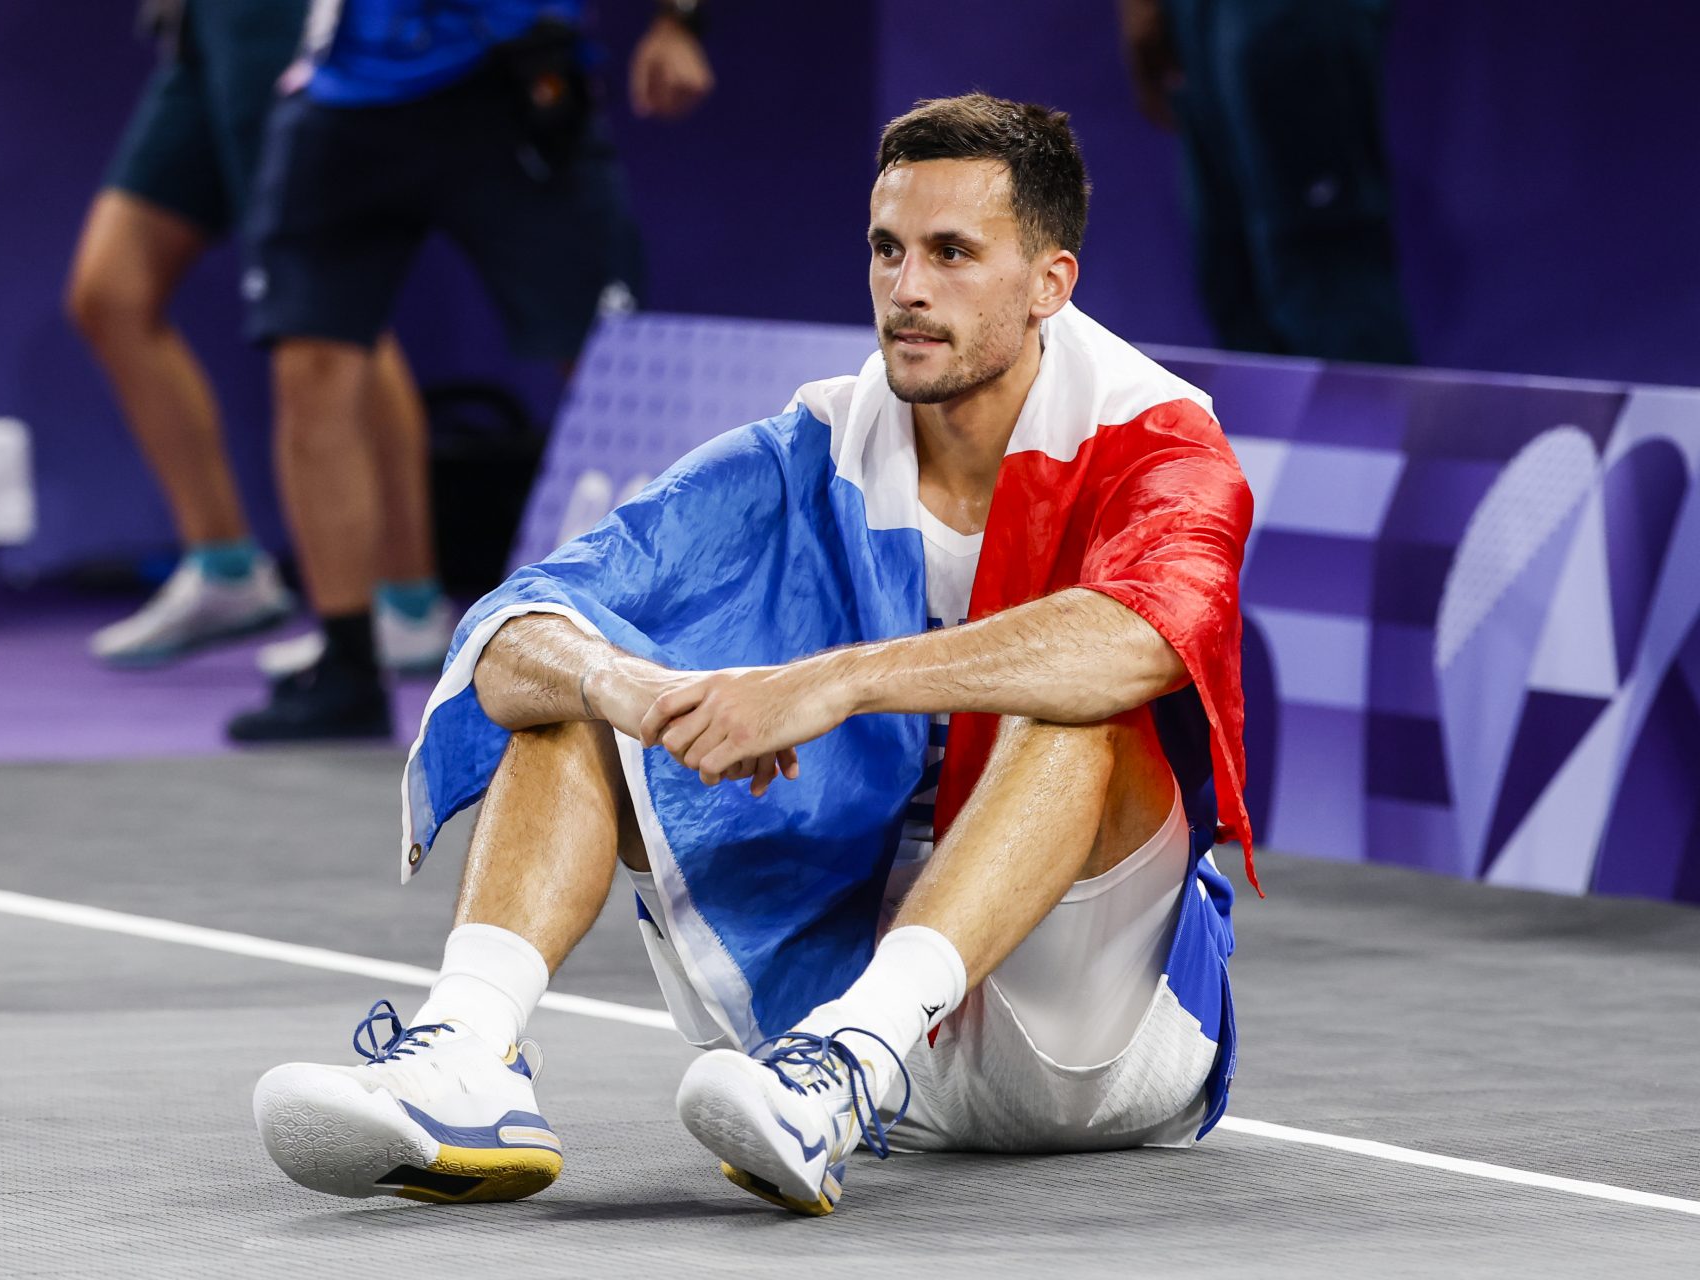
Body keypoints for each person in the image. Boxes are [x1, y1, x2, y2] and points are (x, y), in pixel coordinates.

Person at [251, 93, 1255, 1216]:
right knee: (571, 678)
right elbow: (508, 634)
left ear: (1049, 285)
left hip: (1091, 1037)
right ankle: (466, 1058)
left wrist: (827, 682)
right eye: (887, 249)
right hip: (826, 1027)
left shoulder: (1158, 439)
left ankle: (855, 1056)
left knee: (1080, 705)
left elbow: (1139, 640)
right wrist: (635, 689)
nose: (907, 288)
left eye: (952, 253)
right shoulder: (809, 449)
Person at [225, 0, 715, 740]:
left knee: (602, 362)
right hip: (346, 94)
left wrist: (680, 20)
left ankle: (681, 655)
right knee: (312, 360)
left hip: (509, 80)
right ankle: (349, 666)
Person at [68, 0, 456, 673]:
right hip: (199, 24)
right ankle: (225, 571)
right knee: (112, 293)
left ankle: (406, 605)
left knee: (330, 309)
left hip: (283, 19)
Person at [1117, 0, 1416, 363]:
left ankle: (1363, 418)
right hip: (1195, 15)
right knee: (1235, 276)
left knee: (1327, 277)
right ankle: (1271, 422)